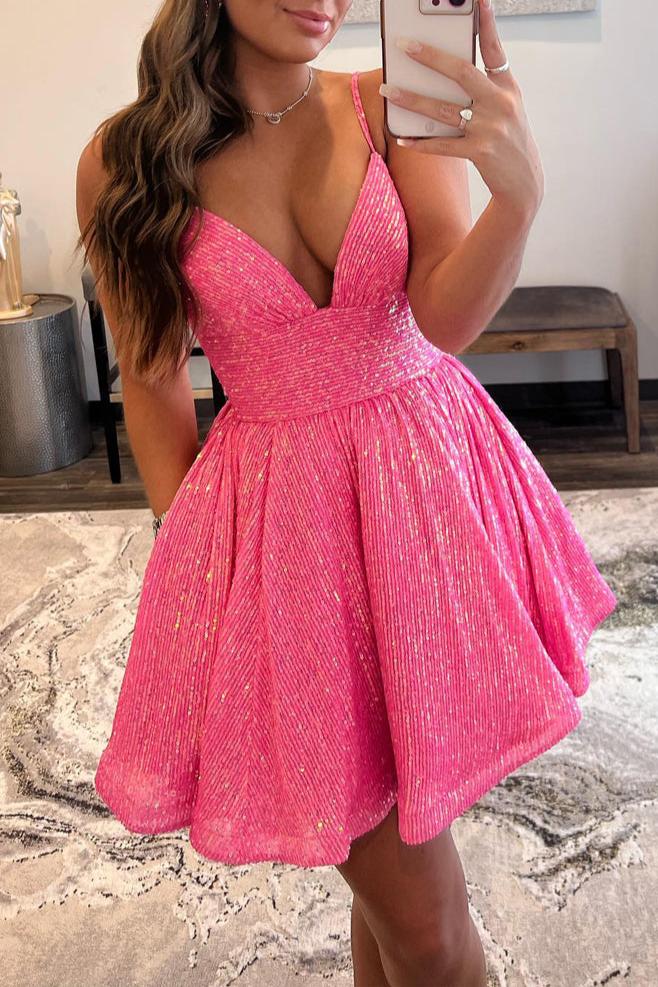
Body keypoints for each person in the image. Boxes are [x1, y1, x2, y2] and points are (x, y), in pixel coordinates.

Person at [74, 2, 617, 984]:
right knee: (427, 928)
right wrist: (194, 567)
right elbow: (151, 380)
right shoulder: (124, 159)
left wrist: (518, 200)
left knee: (399, 886)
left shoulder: (388, 105)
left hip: (428, 507)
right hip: (287, 542)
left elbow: (445, 317)